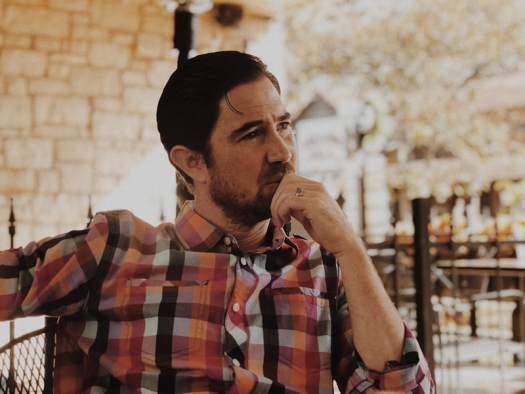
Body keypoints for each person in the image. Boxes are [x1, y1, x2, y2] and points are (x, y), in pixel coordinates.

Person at [0, 51, 434, 393]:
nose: (282, 151)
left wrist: (351, 249)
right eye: (251, 134)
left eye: (283, 125)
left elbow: (404, 389)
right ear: (193, 162)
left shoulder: (324, 269)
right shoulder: (116, 250)